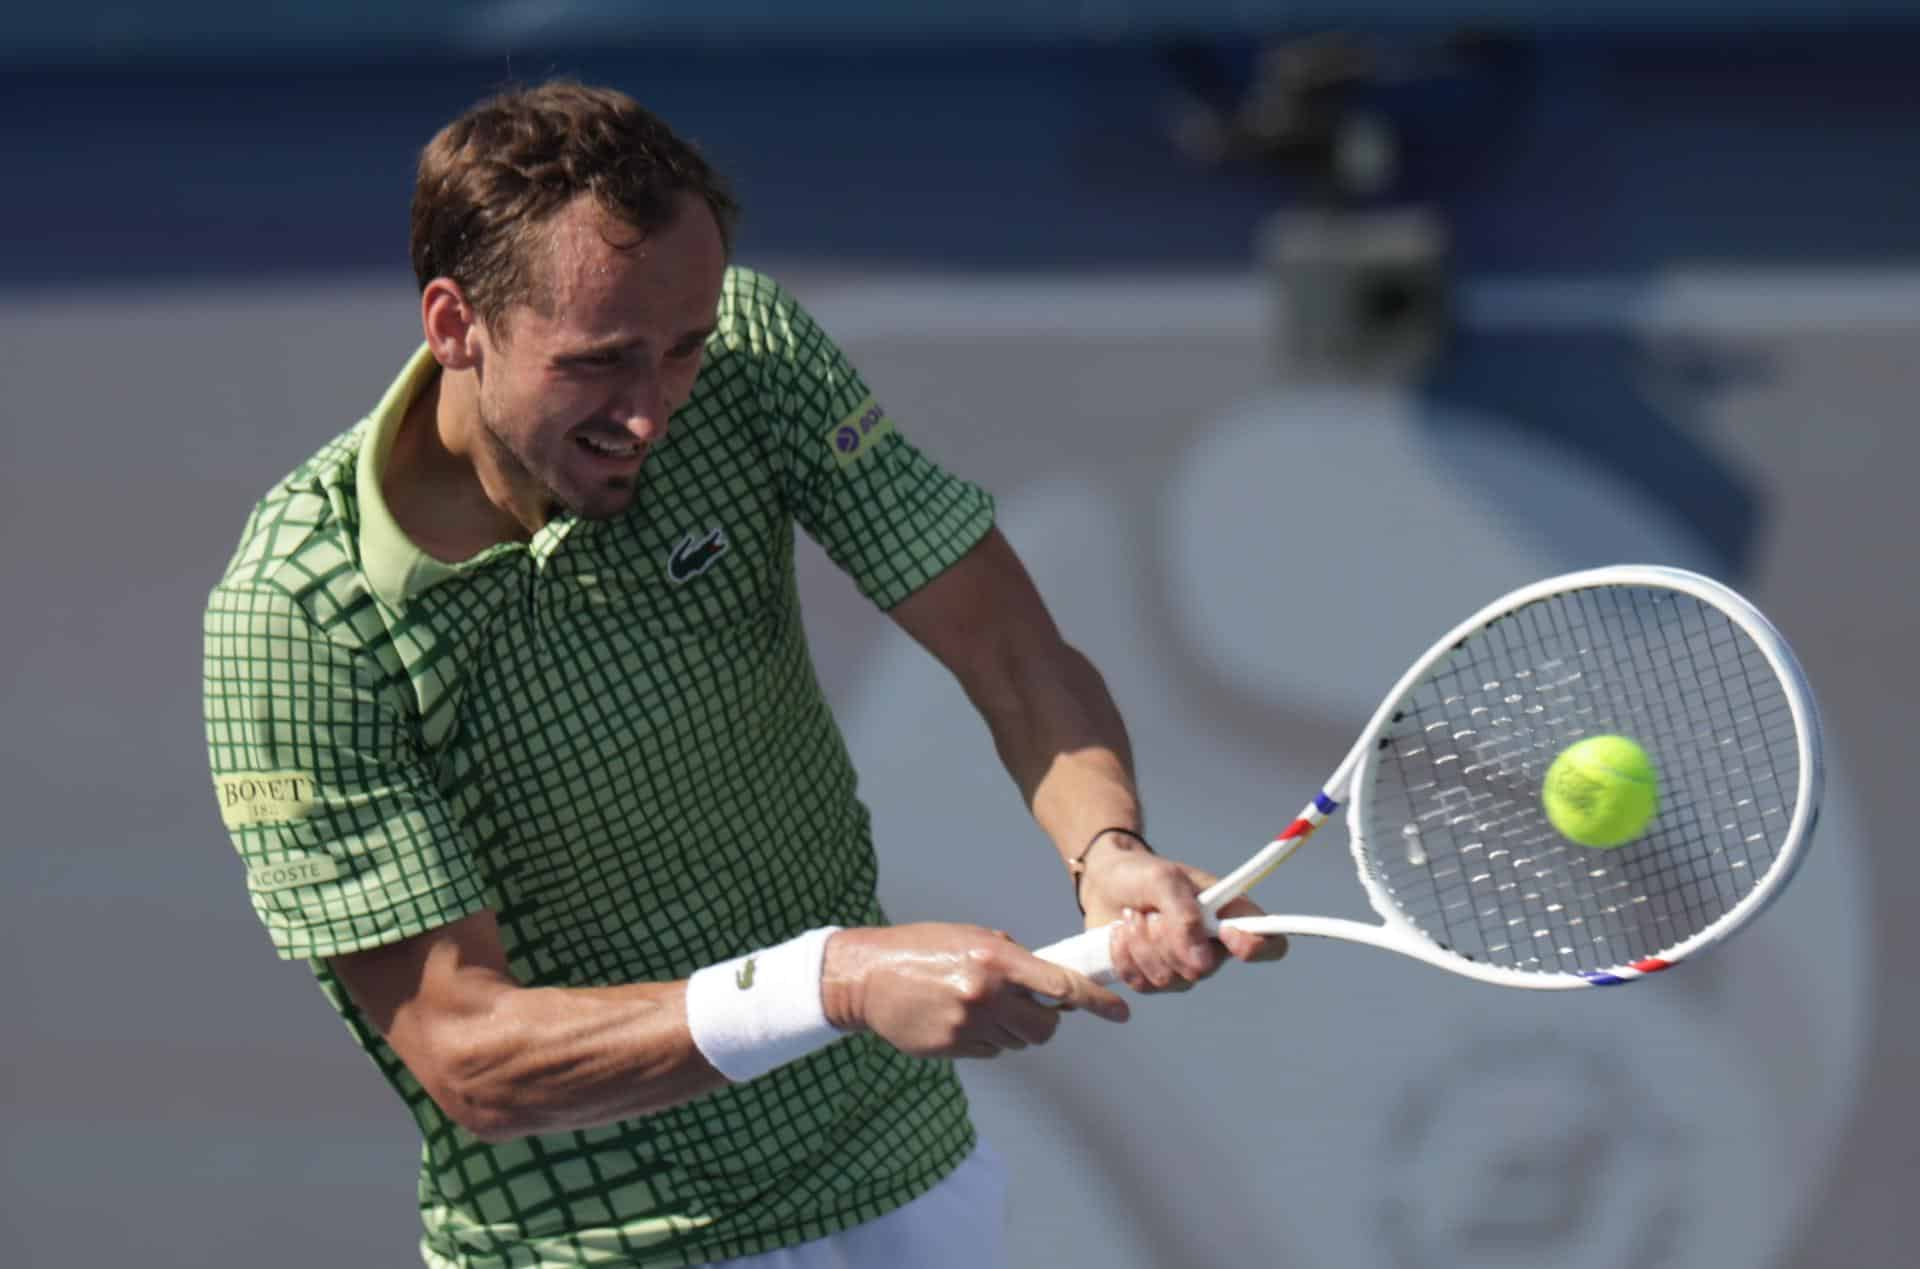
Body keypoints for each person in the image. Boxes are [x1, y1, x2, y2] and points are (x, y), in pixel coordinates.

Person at [202, 79, 1281, 1269]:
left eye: (683, 348)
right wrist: (835, 982)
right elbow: (473, 1055)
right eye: (600, 362)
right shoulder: (299, 619)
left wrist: (1107, 849)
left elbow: (1010, 650)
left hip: (907, 1177)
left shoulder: (752, 353)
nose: (654, 409)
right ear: (456, 325)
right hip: (604, 1245)